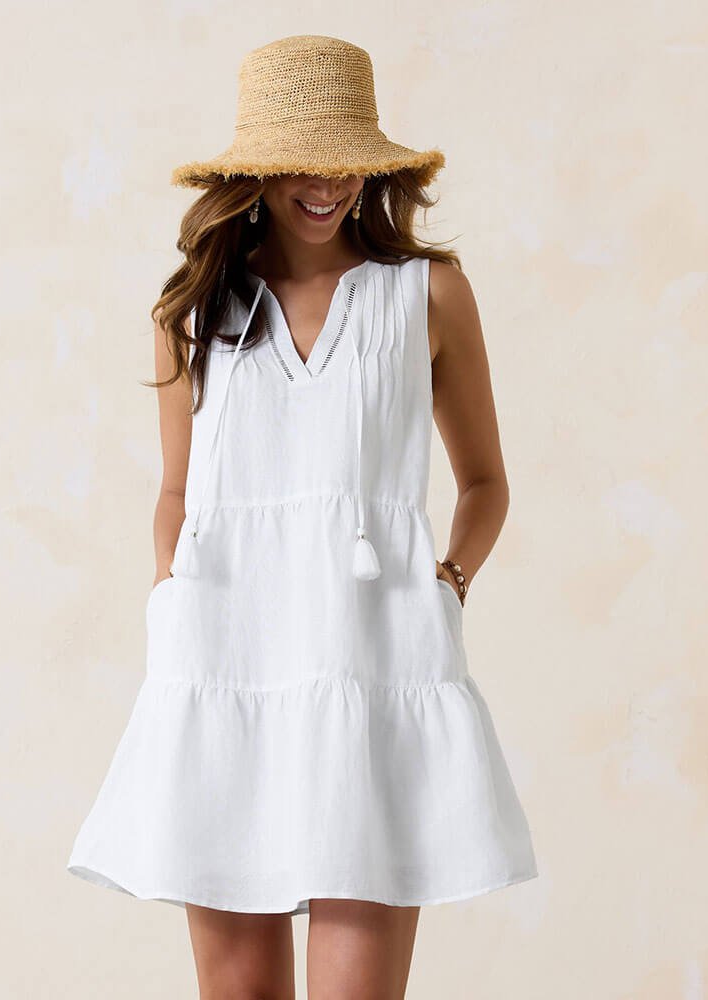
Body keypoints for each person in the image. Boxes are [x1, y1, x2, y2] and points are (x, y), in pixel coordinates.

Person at [68, 34, 538, 999]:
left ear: (373, 168)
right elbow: (176, 489)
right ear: (256, 169)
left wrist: (445, 587)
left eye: (347, 162)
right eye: (302, 161)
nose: (327, 184)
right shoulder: (192, 310)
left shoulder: (427, 295)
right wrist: (170, 596)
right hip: (225, 664)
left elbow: (486, 481)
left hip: (372, 671)